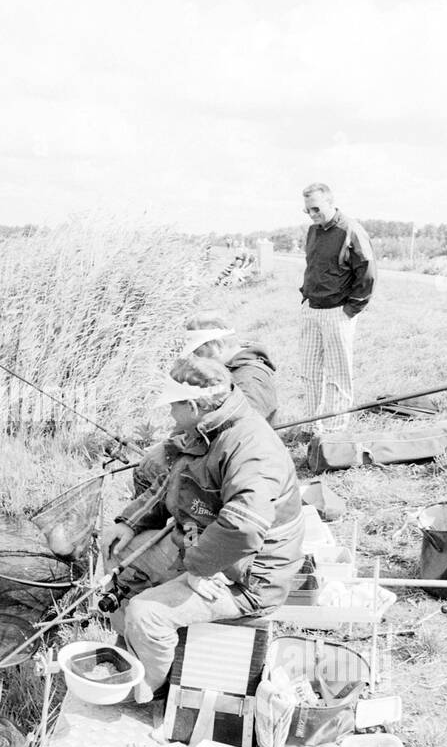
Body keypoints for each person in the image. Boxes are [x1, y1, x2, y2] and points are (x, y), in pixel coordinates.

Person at [98, 355, 304, 702]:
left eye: (173, 406)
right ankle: (141, 648)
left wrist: (198, 568)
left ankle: (151, 688)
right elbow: (171, 484)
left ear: (193, 405)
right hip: (205, 545)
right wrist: (130, 522)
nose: (169, 414)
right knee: (117, 551)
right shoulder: (205, 428)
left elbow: (243, 528)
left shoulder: (251, 449)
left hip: (250, 574)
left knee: (146, 614)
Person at [131, 311, 280, 497]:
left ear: (216, 345)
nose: (196, 359)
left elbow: (240, 433)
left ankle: (158, 521)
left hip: (238, 460)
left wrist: (171, 448)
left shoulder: (250, 379)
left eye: (198, 352)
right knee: (149, 466)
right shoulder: (225, 369)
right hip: (214, 450)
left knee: (147, 471)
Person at [297, 183, 376, 435]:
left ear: (331, 203)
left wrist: (352, 308)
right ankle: (311, 426)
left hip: (338, 311)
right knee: (309, 371)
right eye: (308, 210)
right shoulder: (312, 231)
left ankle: (335, 430)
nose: (312, 214)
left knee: (338, 373)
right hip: (311, 309)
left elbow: (367, 271)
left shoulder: (350, 229)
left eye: (317, 209)